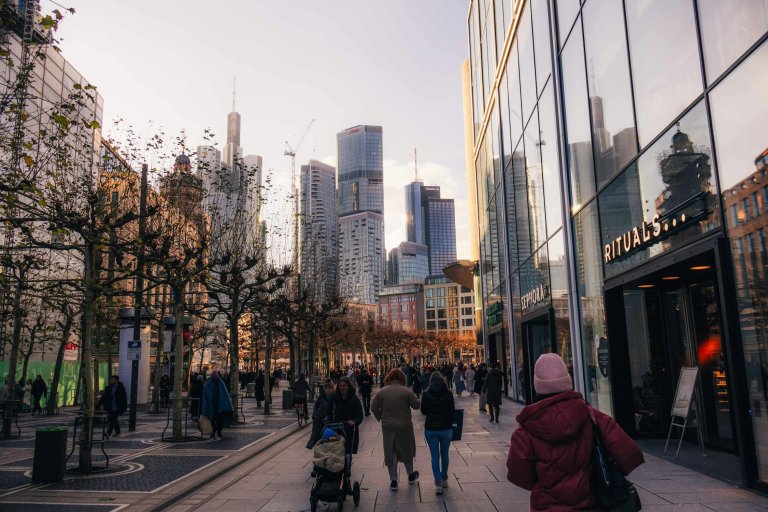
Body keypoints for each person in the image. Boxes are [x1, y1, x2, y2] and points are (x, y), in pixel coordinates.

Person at [506, 353, 645, 510]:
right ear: (567, 380)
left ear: (537, 385)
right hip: (592, 503)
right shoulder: (593, 416)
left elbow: (520, 476)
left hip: (547, 506)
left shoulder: (526, 430)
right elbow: (630, 453)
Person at [371, 368, 421, 492]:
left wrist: (381, 417)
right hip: (404, 425)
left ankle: (393, 480)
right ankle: (410, 475)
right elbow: (416, 405)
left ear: (388, 378)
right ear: (402, 378)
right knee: (406, 449)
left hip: (388, 426)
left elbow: (373, 407)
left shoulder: (381, 392)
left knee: (390, 451)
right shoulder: (406, 391)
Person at [420, 371, 455, 495]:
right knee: (444, 454)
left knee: (434, 456)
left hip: (431, 429)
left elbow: (423, 411)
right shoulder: (448, 394)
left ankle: (438, 483)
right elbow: (452, 410)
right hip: (446, 428)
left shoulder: (426, 393)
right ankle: (444, 477)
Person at [330, 376, 364, 476]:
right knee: (335, 447)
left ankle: (347, 467)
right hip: (336, 427)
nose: (342, 388)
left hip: (349, 428)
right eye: (340, 386)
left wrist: (354, 421)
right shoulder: (334, 398)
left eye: (344, 386)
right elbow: (328, 411)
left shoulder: (354, 399)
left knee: (348, 448)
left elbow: (359, 415)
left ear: (348, 387)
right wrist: (327, 418)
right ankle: (335, 467)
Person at [202, 370, 234, 439]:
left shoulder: (220, 383)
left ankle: (218, 431)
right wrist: (204, 409)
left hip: (220, 406)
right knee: (212, 420)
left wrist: (228, 405)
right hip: (212, 406)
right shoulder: (208, 385)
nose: (215, 379)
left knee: (220, 421)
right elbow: (205, 397)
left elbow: (226, 395)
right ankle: (213, 432)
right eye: (214, 378)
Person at [307, 380, 336, 449]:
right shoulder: (321, 397)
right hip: (319, 420)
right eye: (326, 388)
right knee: (318, 439)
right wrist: (314, 415)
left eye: (330, 388)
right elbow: (316, 406)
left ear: (333, 389)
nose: (328, 390)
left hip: (329, 422)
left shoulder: (335, 398)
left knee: (329, 441)